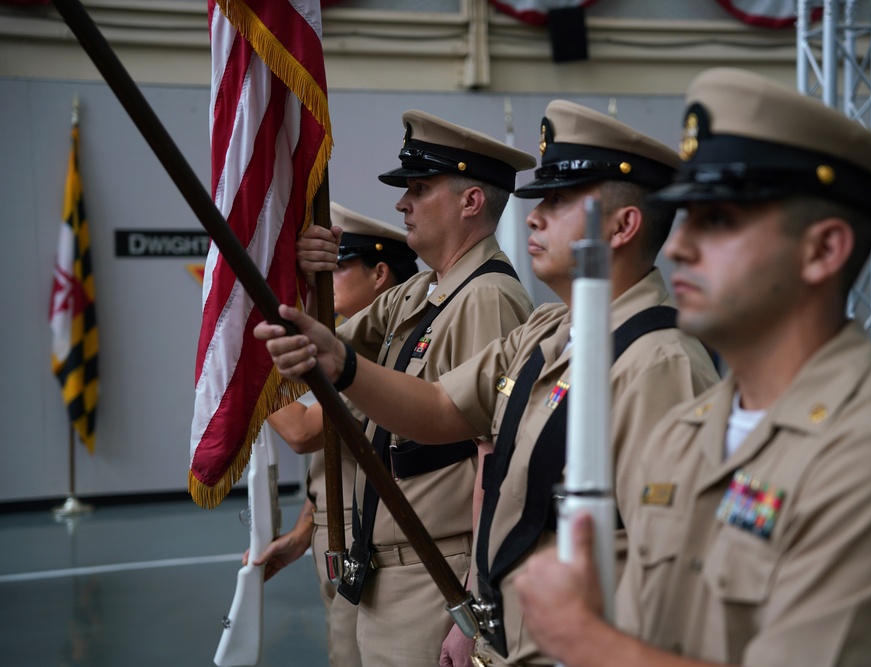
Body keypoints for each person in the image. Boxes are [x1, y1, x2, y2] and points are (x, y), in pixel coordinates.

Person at [512, 67, 871, 667]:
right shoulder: (685, 434)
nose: (680, 248)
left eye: (719, 222)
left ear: (822, 249)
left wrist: (586, 640)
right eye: (688, 219)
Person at [255, 99, 720, 666]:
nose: (532, 216)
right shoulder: (549, 331)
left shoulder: (659, 362)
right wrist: (339, 362)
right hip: (514, 629)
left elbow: (674, 566)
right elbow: (442, 406)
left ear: (624, 225)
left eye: (559, 201)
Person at [264, 109, 536, 666]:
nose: (401, 203)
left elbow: (500, 462)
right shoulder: (416, 296)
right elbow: (315, 351)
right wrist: (303, 279)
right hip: (388, 569)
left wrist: (475, 608)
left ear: (471, 202)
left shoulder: (486, 299)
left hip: (436, 574)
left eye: (419, 188)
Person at [249, 202, 419, 667]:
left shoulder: (382, 357)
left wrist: (251, 360)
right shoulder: (354, 343)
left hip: (370, 534)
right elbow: (335, 451)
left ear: (380, 273)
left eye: (338, 267)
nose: (324, 280)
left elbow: (304, 433)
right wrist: (306, 527)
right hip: (337, 523)